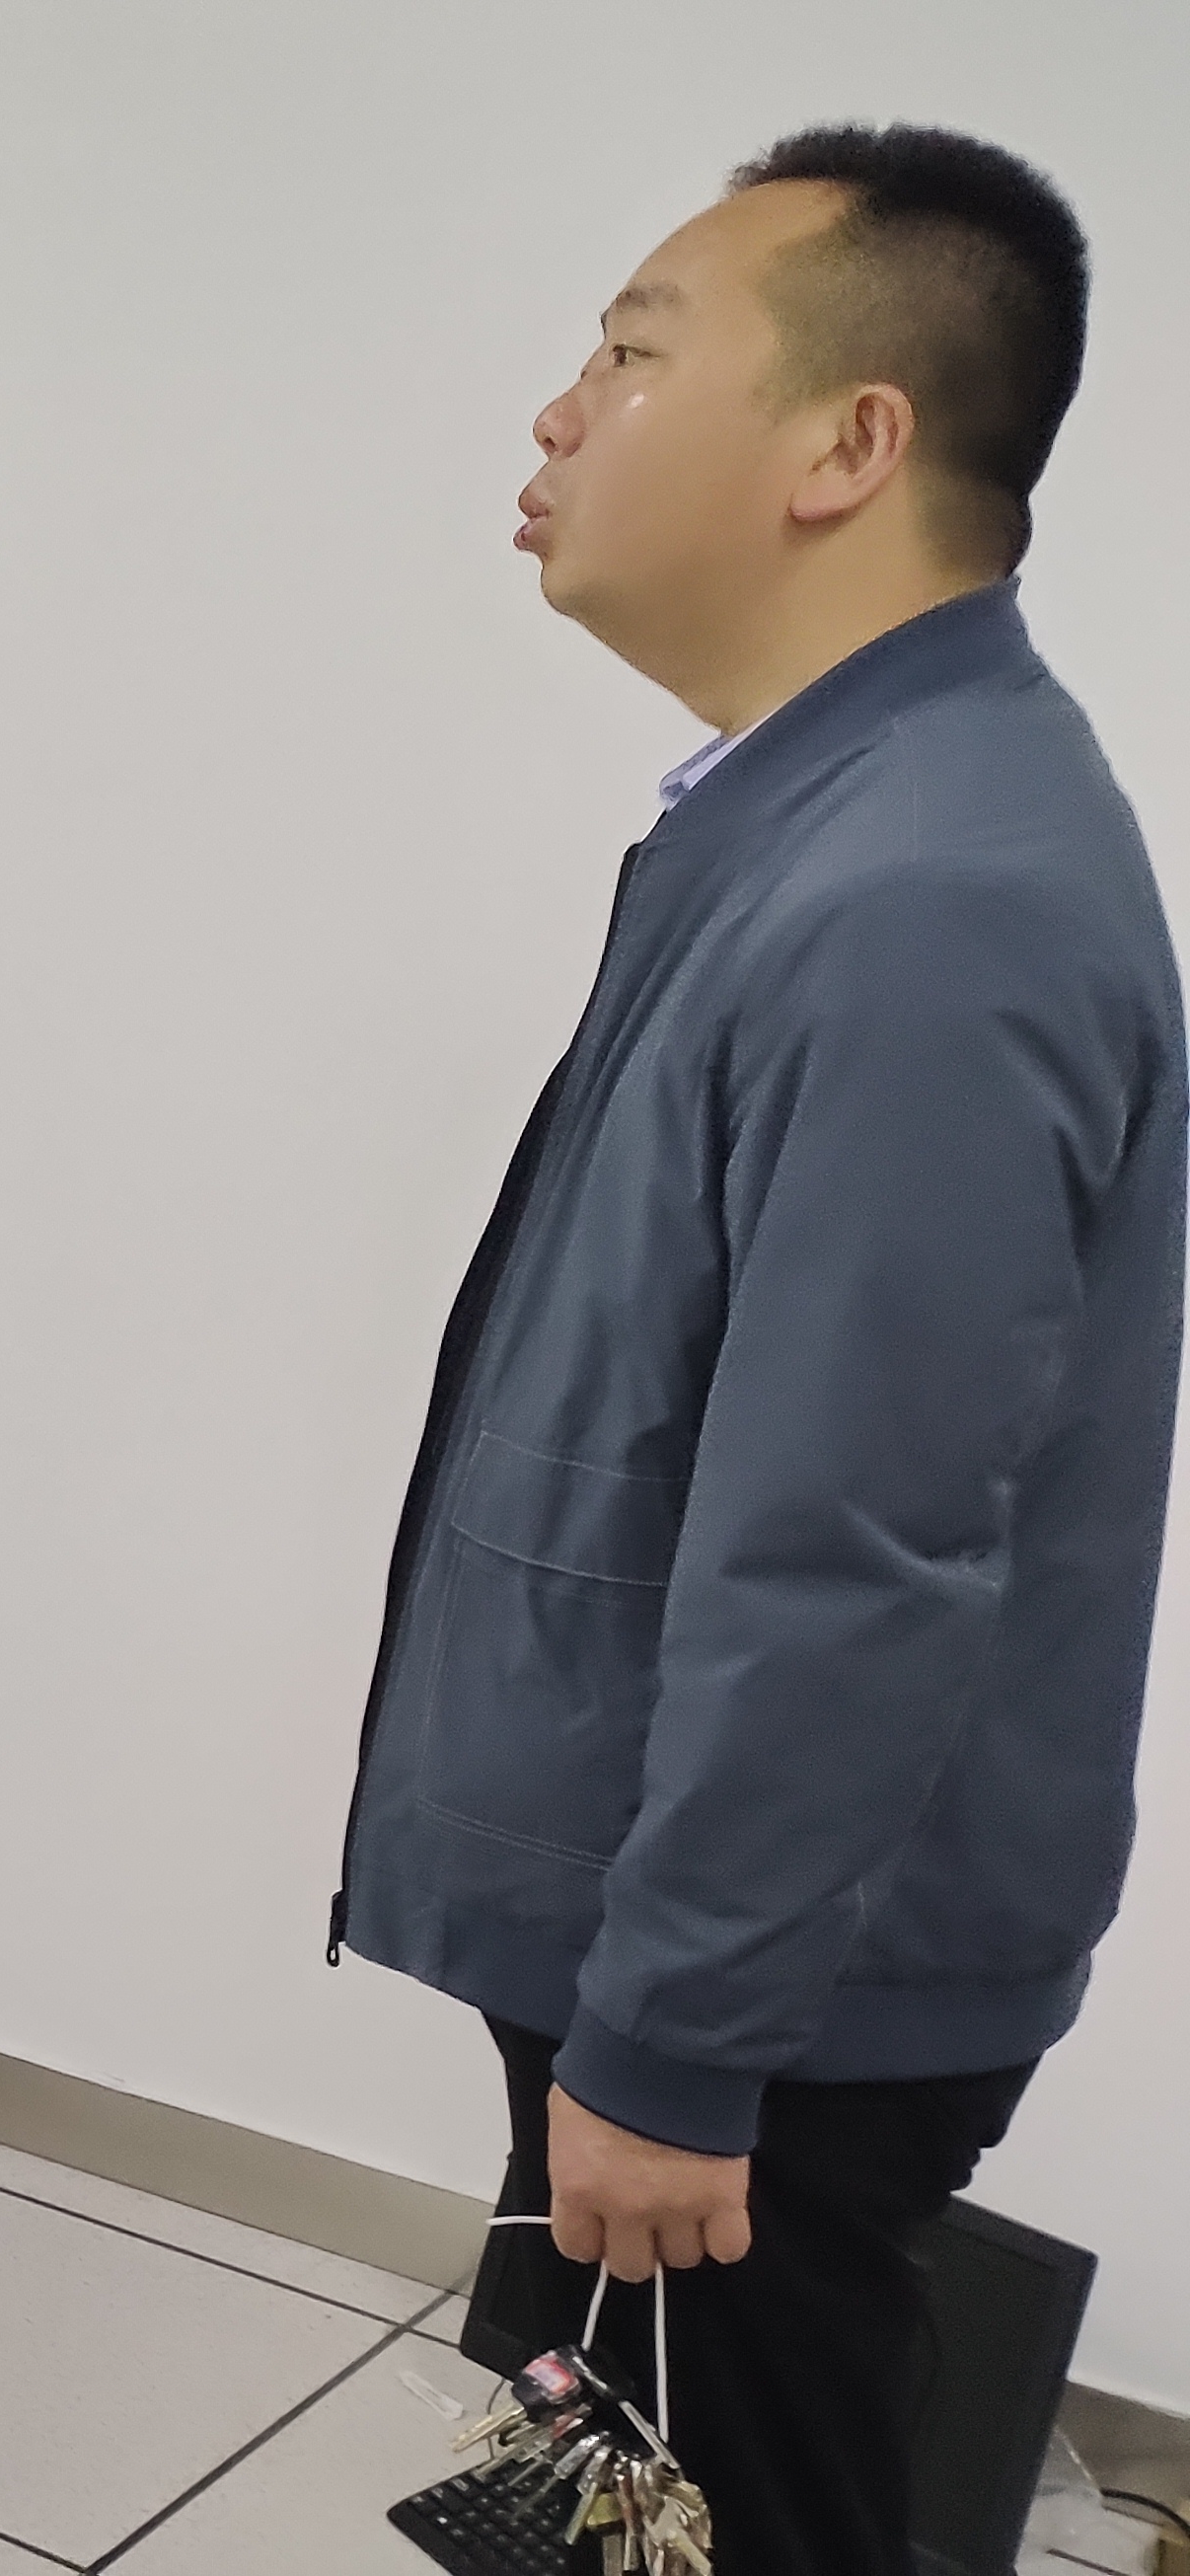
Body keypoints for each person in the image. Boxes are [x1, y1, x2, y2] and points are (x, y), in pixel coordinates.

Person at [332, 128, 1167, 2574]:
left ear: (847, 443)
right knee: (613, 2509)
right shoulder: (830, 812)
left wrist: (679, 2046)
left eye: (627, 350)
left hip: (757, 2000)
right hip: (701, 1946)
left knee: (734, 2523)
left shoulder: (922, 892)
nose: (555, 414)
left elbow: (854, 1551)